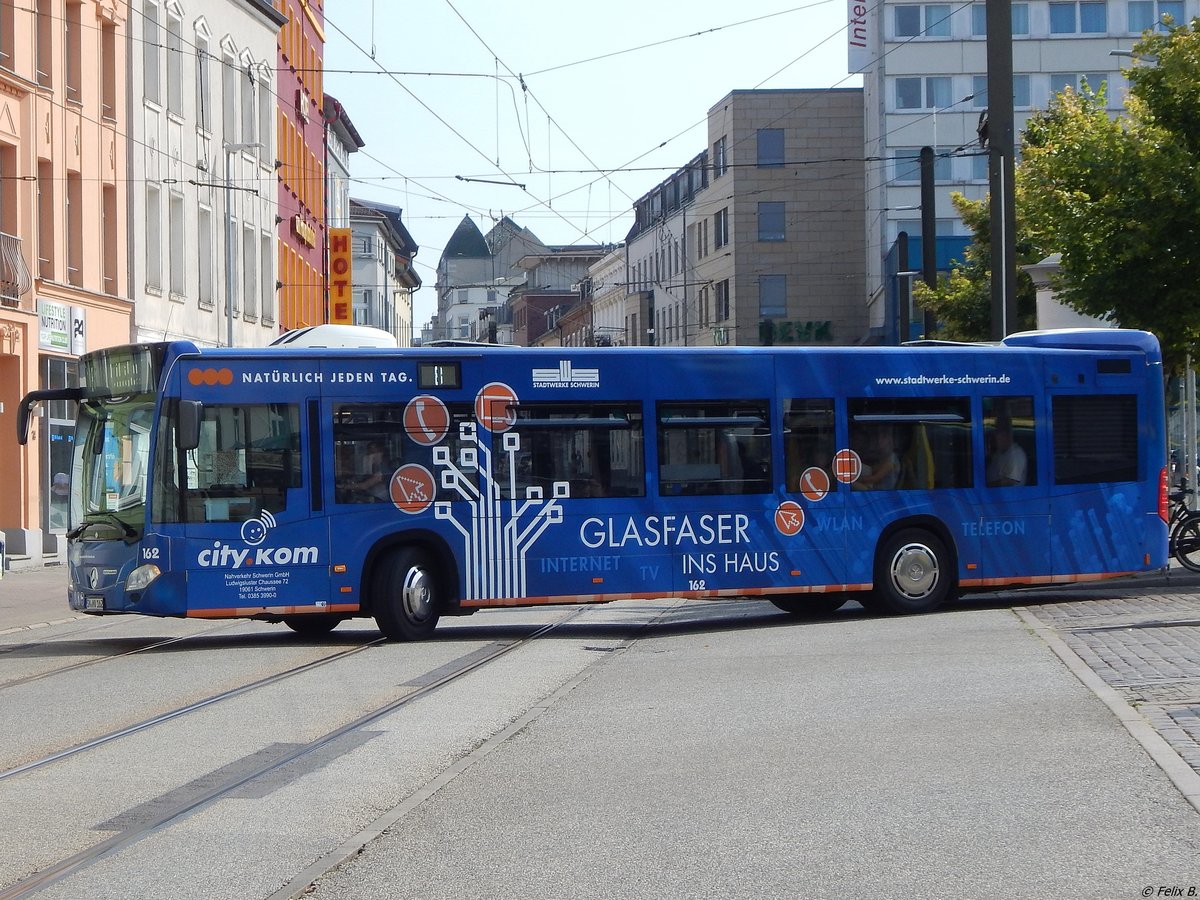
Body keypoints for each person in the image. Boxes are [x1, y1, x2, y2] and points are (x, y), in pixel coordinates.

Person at [987, 417, 1027, 487]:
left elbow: (1010, 481)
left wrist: (986, 486)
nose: (994, 440)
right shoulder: (999, 453)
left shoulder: (1016, 454)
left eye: (998, 436)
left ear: (1006, 436)